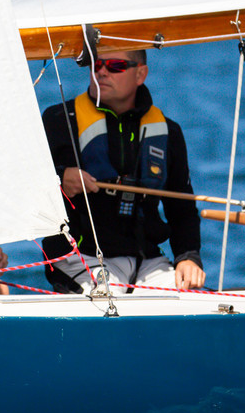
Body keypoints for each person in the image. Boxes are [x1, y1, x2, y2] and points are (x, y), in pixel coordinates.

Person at [41, 47, 205, 293]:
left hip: (148, 261)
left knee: (190, 298)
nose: (102, 72)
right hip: (82, 256)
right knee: (108, 297)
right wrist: (60, 178)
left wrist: (188, 257)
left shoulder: (168, 132)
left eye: (115, 66)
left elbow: (181, 209)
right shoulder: (58, 120)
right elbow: (26, 184)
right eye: (96, 65)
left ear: (140, 74)